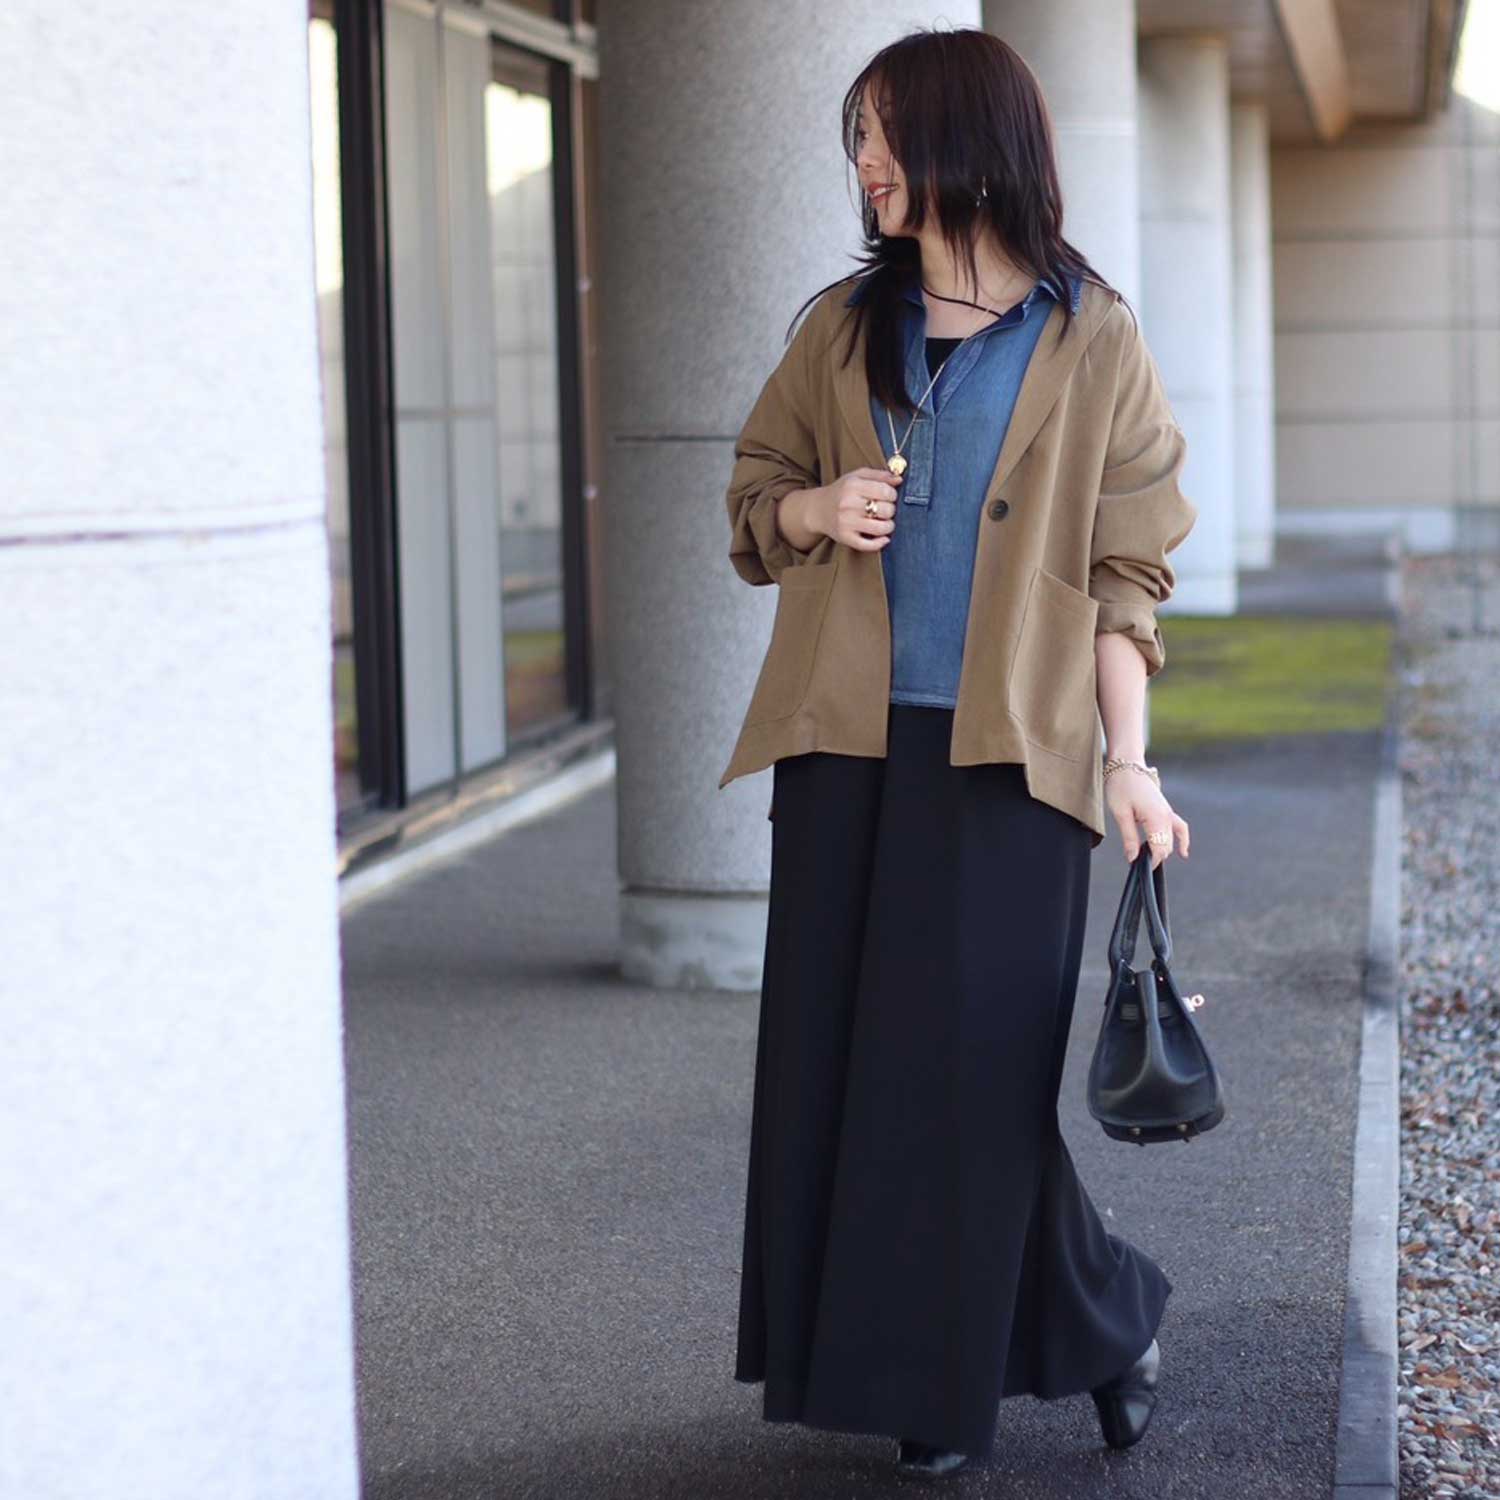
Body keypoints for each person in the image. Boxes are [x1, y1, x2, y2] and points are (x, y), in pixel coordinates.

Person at [719, 26, 1199, 1483]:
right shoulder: (839, 326)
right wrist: (816, 513)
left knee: (970, 1082)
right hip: (847, 754)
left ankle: (990, 1364)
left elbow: (1125, 574)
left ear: (960, 140)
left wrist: (1130, 765)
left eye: (881, 132)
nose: (863, 161)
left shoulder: (1090, 334)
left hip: (1012, 769)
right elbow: (755, 490)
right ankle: (1090, 1327)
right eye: (857, 135)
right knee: (846, 1071)